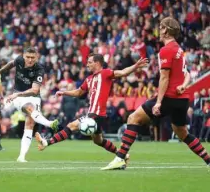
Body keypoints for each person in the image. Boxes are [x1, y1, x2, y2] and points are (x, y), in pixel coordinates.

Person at [102, 17, 210, 170]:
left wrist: (158, 102)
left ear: (166, 30)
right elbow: (186, 74)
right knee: (182, 133)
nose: (159, 30)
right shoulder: (179, 50)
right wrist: (184, 86)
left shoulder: (166, 50)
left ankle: (120, 158)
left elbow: (164, 78)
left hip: (169, 96)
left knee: (133, 118)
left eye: (161, 27)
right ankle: (208, 160)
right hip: (182, 99)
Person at [35, 54, 148, 162]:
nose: (87, 65)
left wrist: (135, 66)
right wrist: (64, 93)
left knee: (72, 125)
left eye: (89, 62)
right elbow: (79, 92)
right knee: (98, 141)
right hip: (93, 113)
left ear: (97, 63)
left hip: (97, 114)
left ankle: (46, 142)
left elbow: (122, 72)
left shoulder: (105, 73)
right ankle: (122, 154)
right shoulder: (89, 79)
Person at [0, 47, 58, 162]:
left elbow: (34, 90)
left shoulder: (39, 69)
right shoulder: (19, 60)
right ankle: (49, 123)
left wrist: (18, 94)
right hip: (18, 96)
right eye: (27, 57)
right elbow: (10, 64)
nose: (30, 60)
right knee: (29, 108)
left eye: (33, 57)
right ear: (23, 56)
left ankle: (21, 156)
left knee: (29, 124)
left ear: (37, 57)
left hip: (33, 96)